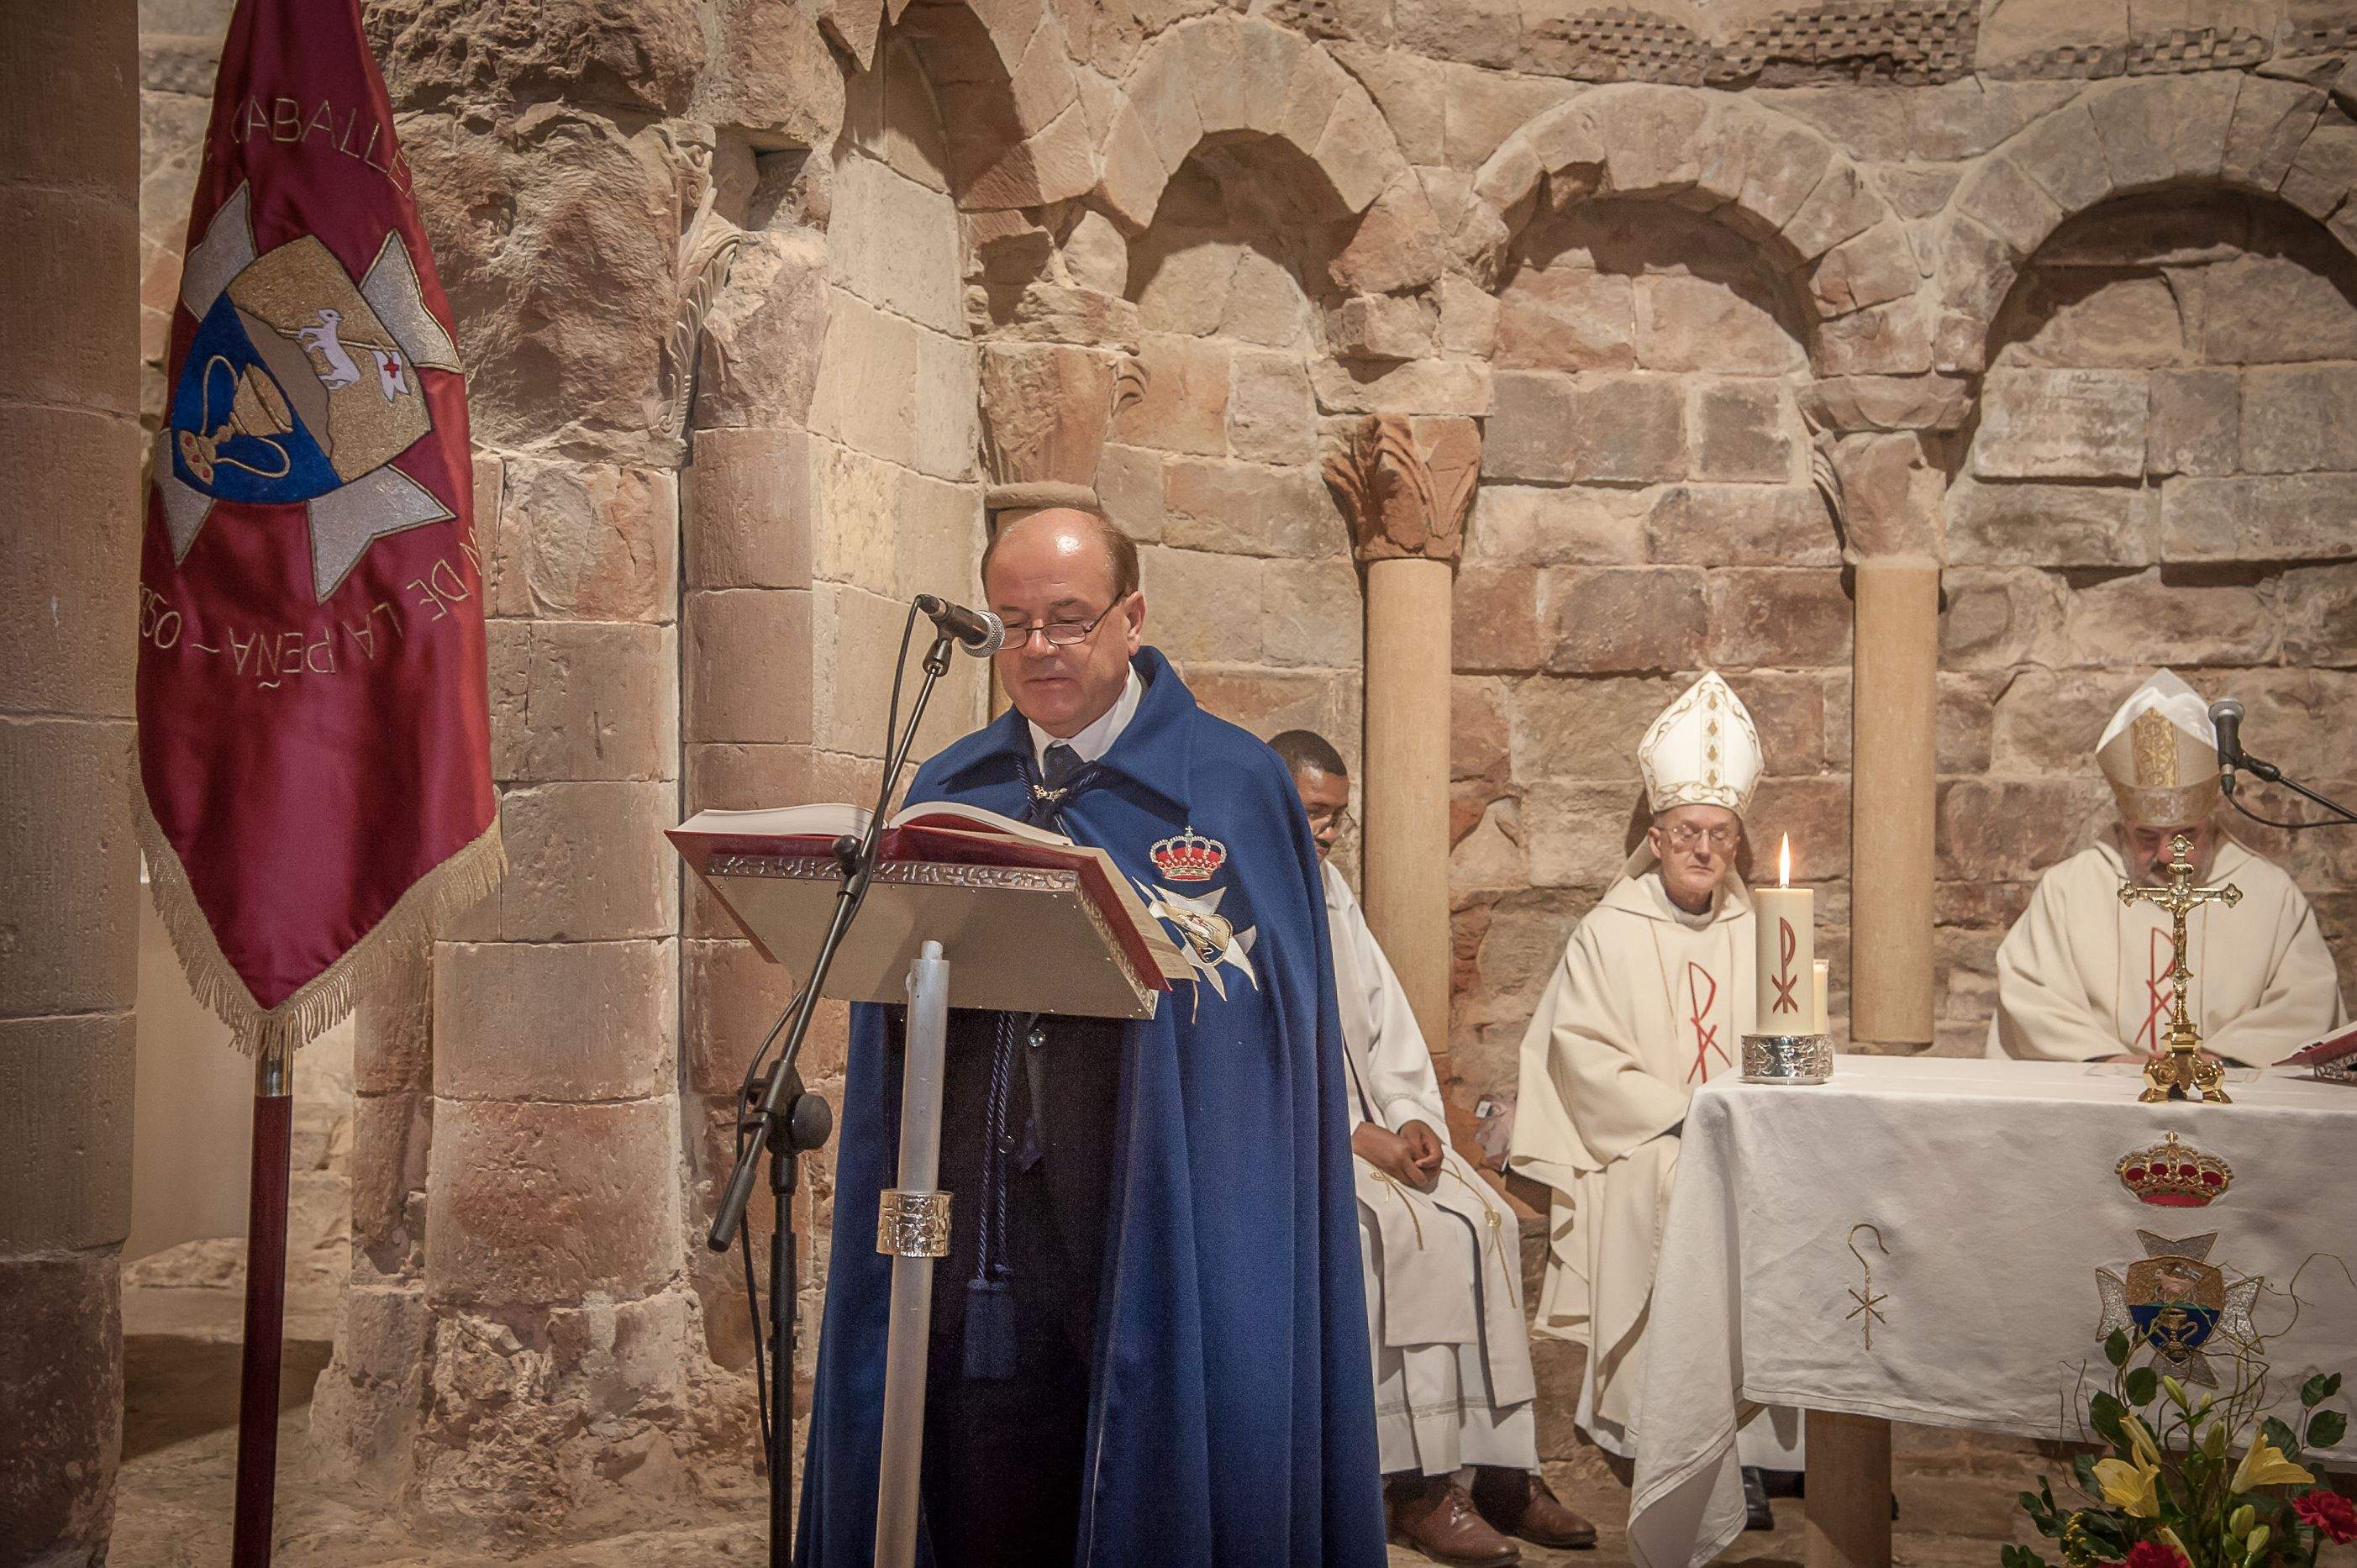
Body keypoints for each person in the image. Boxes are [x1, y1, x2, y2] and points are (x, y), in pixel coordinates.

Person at [797, 508, 1386, 1568]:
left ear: (1132, 618)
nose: (1037, 650)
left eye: (1068, 620)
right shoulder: (954, 788)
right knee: (988, 1477)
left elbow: (1268, 1034)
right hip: (988, 1227)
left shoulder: (1234, 787)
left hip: (1161, 1218)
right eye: (1013, 621)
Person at [1274, 730, 1597, 1568]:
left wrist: (1416, 1116)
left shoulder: (1333, 893)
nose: (1328, 835)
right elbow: (1252, 1058)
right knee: (1410, 1235)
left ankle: (1503, 1470)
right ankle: (1414, 1486)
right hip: (1302, 1141)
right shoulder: (1243, 897)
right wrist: (1361, 1136)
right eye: (1313, 814)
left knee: (1482, 1217)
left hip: (1372, 1128)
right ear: (1269, 801)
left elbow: (1384, 1029)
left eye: (1338, 818)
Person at [1507, 673, 1802, 1529]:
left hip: (1744, 1134)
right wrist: (1688, 1110)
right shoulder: (1611, 928)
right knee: (1679, 1185)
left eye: (1719, 833)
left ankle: (1777, 1443)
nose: (1703, 849)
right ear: (1659, 837)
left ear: (1737, 843)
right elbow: (1586, 1060)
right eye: (1687, 833)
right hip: (1645, 1142)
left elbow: (1789, 1041)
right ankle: (1690, 1439)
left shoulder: (1765, 932)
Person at [1989, 670, 2345, 1066]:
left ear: (2209, 823)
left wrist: (2216, 1060)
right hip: (2101, 1096)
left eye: (2185, 835)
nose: (2166, 855)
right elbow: (2031, 995)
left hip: (2228, 1097)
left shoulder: (2268, 893)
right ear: (2124, 824)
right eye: (2146, 836)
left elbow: (2304, 1001)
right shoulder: (2070, 888)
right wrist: (2110, 1062)